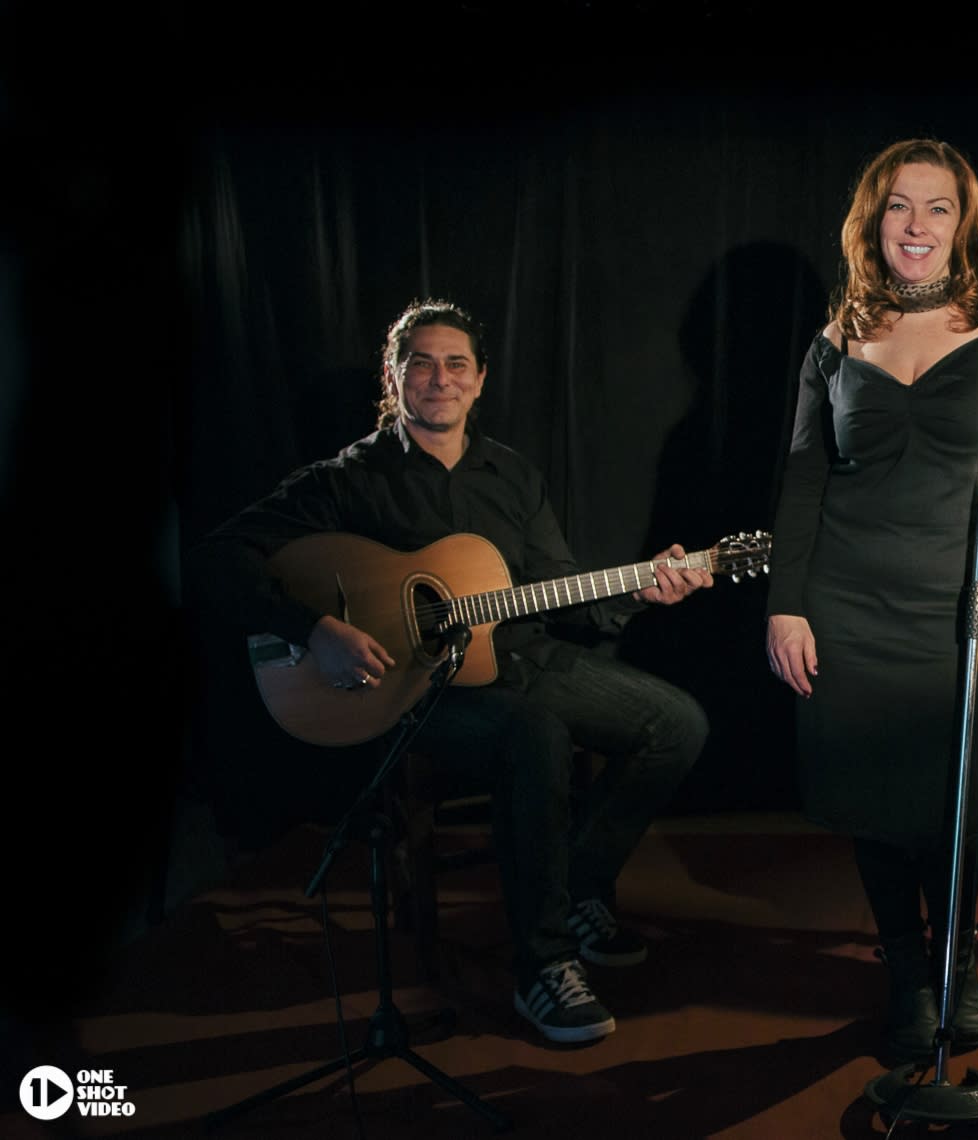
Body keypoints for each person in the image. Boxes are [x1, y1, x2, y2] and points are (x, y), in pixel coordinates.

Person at [191, 299, 712, 1045]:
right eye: (422, 364)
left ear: (480, 379)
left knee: (677, 725)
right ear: (394, 377)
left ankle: (576, 890)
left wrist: (637, 590)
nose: (441, 378)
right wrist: (316, 630)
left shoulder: (512, 474)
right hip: (418, 689)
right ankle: (543, 965)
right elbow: (218, 558)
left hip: (524, 659)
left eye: (456, 364)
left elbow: (558, 591)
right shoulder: (347, 479)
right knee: (534, 734)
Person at [763, 138, 978, 1063]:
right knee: (873, 793)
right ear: (874, 220)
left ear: (965, 224)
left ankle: (958, 962)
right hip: (849, 600)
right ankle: (905, 964)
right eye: (900, 205)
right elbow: (803, 479)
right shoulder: (836, 337)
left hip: (961, 601)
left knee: (955, 795)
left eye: (939, 207)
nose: (917, 225)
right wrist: (785, 604)